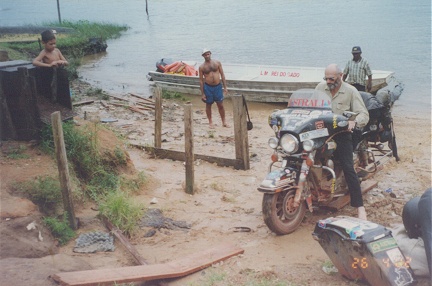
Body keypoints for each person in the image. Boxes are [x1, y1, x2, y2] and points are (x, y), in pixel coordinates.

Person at [316, 64, 369, 220]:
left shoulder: (351, 91)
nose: (328, 81)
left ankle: (360, 207)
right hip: (322, 131)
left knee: (347, 166)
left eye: (331, 78)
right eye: (326, 78)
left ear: (341, 76)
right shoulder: (320, 87)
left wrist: (353, 122)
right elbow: (310, 106)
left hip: (342, 132)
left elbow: (363, 115)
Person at [199, 48, 229, 129]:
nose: (207, 55)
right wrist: (202, 93)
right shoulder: (202, 67)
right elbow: (201, 80)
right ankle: (210, 122)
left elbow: (222, 75)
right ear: (203, 56)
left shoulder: (217, 63)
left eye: (208, 54)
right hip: (208, 87)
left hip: (217, 87)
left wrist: (225, 87)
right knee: (208, 105)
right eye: (205, 54)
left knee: (220, 105)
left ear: (210, 54)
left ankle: (224, 122)